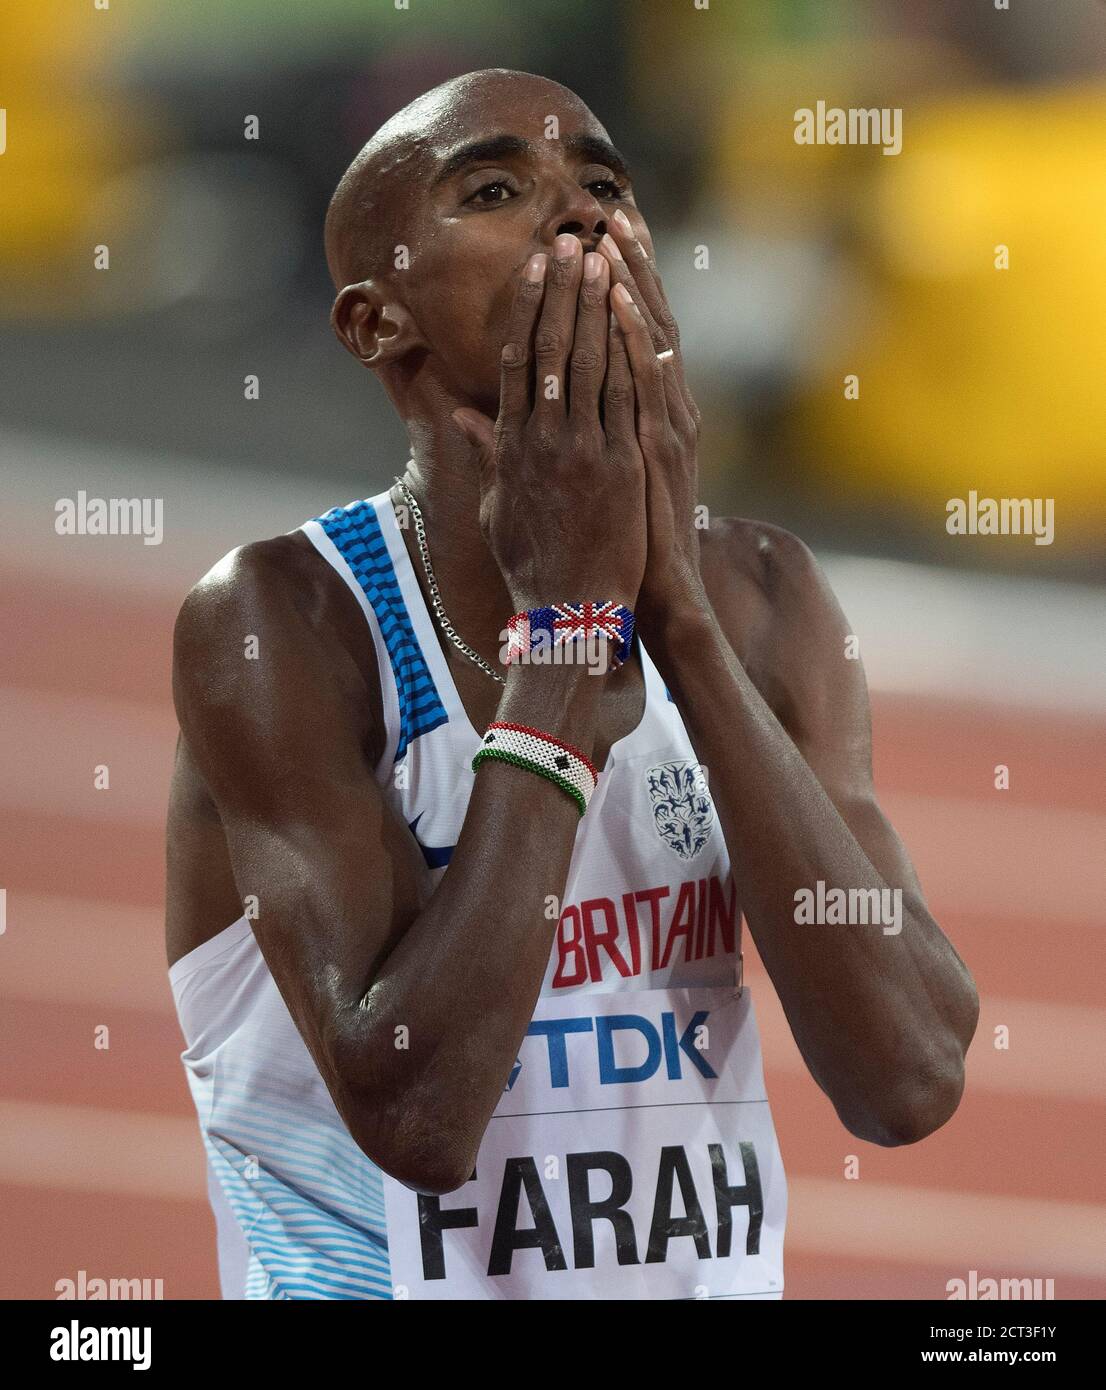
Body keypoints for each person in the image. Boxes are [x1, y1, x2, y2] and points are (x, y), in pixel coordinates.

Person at [166, 68, 978, 1301]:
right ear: (375, 323)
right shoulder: (286, 619)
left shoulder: (760, 595)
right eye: (494, 188)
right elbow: (420, 1114)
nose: (580, 215)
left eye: (604, 183)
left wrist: (680, 626)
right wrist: (564, 649)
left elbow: (907, 1078)